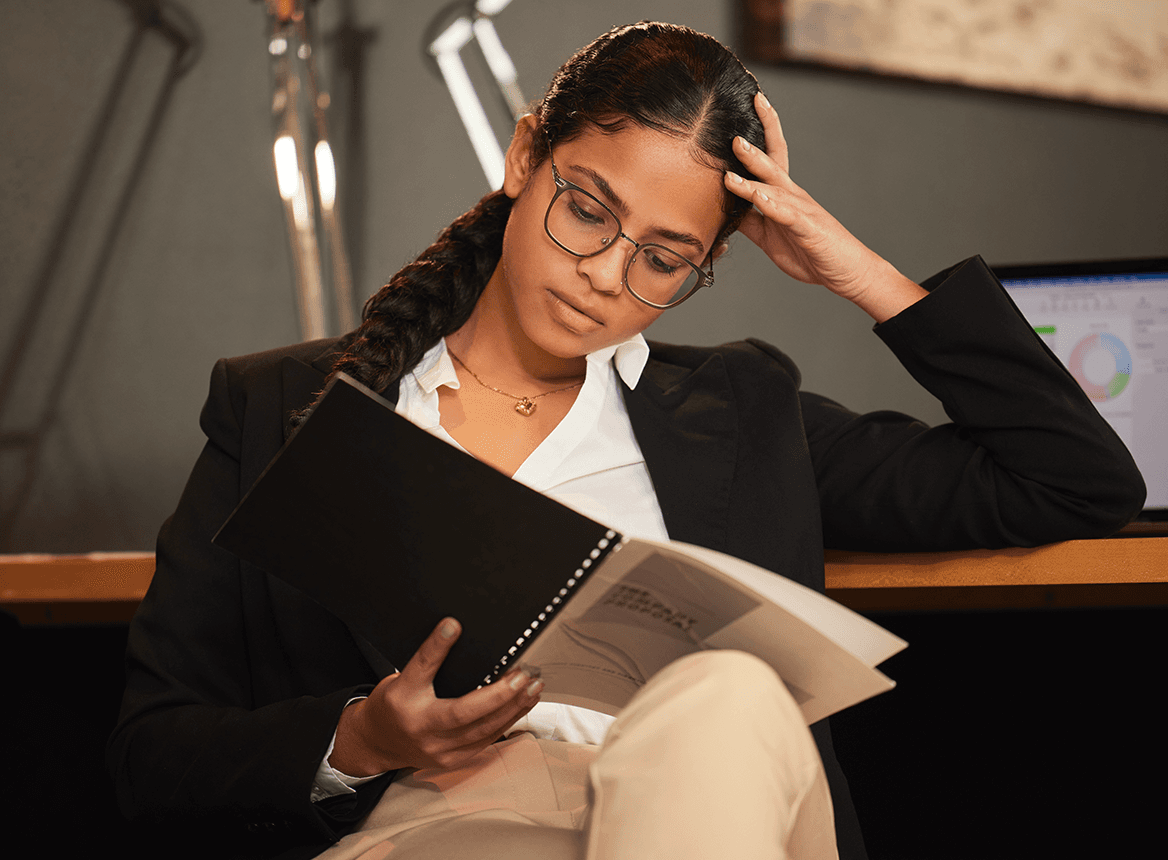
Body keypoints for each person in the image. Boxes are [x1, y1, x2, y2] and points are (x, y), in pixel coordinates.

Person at [107, 20, 1145, 860]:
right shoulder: (281, 406)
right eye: (586, 211)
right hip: (440, 827)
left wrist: (853, 269)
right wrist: (360, 737)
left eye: (664, 257)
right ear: (524, 157)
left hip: (704, 813)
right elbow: (154, 753)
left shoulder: (743, 413)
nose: (607, 273)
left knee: (732, 687)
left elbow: (1073, 479)